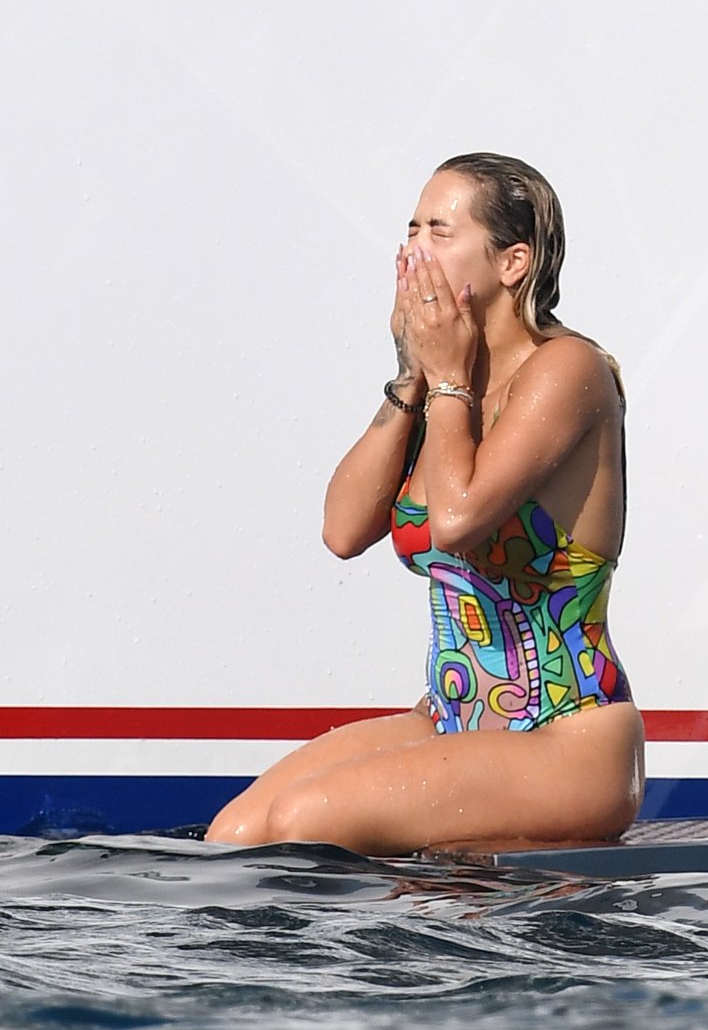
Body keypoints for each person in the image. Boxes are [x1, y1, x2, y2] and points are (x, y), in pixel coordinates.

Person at [205, 152, 645, 855]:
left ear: (512, 263)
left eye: (439, 230)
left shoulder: (567, 369)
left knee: (303, 823)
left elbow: (458, 519)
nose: (413, 249)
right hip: (448, 715)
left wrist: (445, 380)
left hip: (567, 736)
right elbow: (342, 531)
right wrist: (412, 374)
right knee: (237, 833)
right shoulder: (446, 386)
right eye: (411, 228)